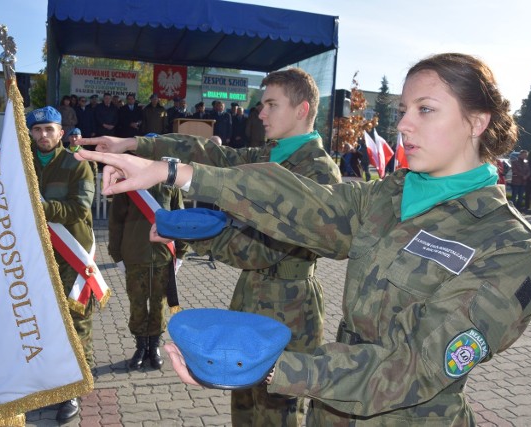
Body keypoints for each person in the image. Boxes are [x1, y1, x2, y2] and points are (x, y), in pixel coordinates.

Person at [76, 53, 531, 425]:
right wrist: (176, 172)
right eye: (403, 110)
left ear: (477, 122)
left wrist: (275, 368)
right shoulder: (389, 195)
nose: (403, 124)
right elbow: (308, 205)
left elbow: (415, 367)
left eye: (426, 110)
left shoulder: (510, 247)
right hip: (330, 407)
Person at [78, 67, 341, 426]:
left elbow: (266, 248)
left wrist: (186, 234)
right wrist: (136, 145)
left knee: (276, 409)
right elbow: (206, 153)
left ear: (301, 109)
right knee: (244, 407)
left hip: (290, 306)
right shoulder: (272, 157)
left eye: (270, 104)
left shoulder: (318, 173)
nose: (260, 113)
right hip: (252, 294)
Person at [26, 106, 96, 422]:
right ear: (30, 132)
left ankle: (73, 390)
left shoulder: (76, 164)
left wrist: (40, 207)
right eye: (37, 129)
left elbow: (79, 209)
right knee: (42, 322)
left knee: (74, 322)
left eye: (49, 129)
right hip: (36, 256)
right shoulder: (19, 166)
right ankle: (50, 385)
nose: (43, 135)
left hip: (71, 255)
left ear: (61, 133)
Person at [109, 183, 188, 370]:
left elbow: (181, 219)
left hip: (162, 257)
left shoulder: (169, 184)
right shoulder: (127, 184)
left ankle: (154, 347)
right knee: (137, 305)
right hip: (134, 256)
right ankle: (140, 347)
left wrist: (182, 252)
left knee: (158, 305)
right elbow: (116, 222)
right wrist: (116, 254)